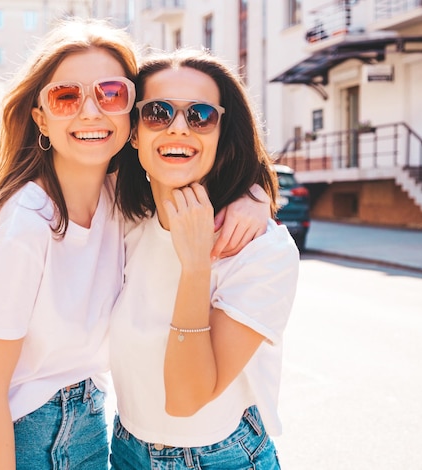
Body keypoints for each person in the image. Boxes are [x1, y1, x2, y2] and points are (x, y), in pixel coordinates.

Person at [0, 19, 271, 470]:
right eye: (66, 96)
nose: (91, 112)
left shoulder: (120, 195)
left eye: (111, 93)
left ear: (130, 116)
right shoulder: (25, 224)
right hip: (12, 437)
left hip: (89, 428)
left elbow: (204, 158)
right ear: (40, 116)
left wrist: (256, 197)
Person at [108, 48, 300, 469]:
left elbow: (186, 399)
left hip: (221, 457)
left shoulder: (262, 250)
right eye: (157, 112)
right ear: (134, 131)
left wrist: (195, 265)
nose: (179, 128)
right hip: (125, 448)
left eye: (200, 116)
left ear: (220, 133)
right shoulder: (121, 218)